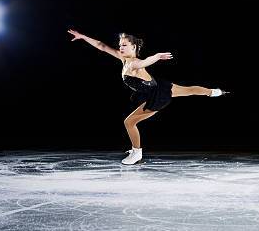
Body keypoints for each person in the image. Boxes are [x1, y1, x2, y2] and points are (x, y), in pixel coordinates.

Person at [67, 29, 229, 164]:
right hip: (159, 88)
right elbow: (101, 46)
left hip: (156, 97)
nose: (120, 47)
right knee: (190, 90)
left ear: (134, 47)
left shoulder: (133, 63)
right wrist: (82, 37)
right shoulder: (123, 58)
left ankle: (137, 153)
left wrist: (156, 56)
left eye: (124, 45)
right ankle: (215, 92)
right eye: (120, 45)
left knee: (129, 122)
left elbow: (144, 62)